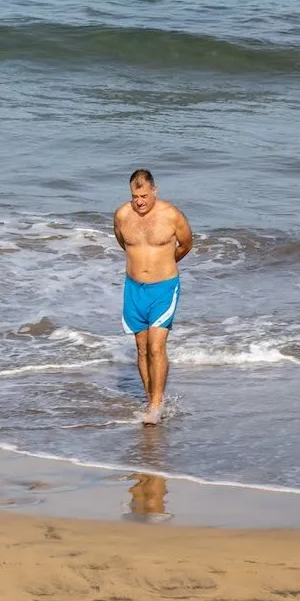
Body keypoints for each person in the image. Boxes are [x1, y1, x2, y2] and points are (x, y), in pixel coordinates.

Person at [113, 169, 193, 425]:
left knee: (156, 346)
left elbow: (186, 244)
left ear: (154, 191)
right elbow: (123, 244)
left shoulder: (171, 215)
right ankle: (151, 400)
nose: (139, 201)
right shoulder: (122, 215)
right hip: (134, 288)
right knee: (141, 348)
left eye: (144, 195)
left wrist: (165, 262)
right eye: (135, 196)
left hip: (164, 288)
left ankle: (156, 407)